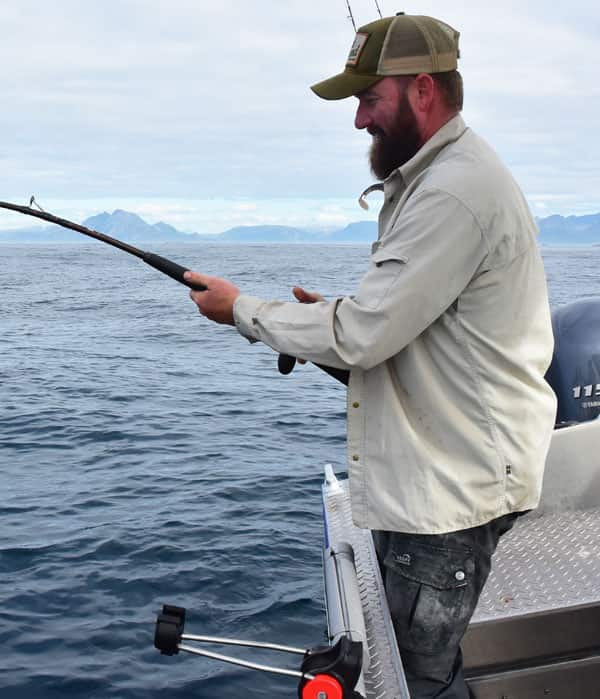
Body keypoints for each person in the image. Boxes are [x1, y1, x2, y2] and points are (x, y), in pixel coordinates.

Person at [185, 13, 557, 698]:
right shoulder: (438, 179)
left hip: (448, 496)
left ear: (423, 91)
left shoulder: (453, 190)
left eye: (368, 98)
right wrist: (321, 321)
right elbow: (407, 337)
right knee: (413, 666)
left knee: (418, 683)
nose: (358, 120)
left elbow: (364, 333)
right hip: (436, 479)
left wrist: (241, 309)